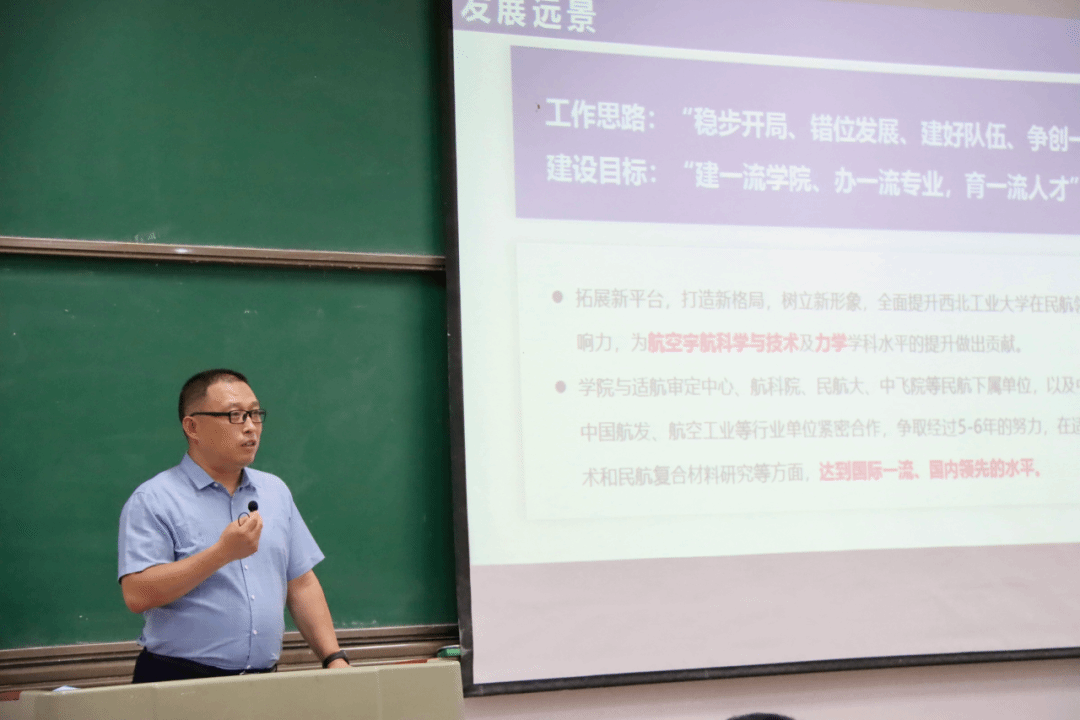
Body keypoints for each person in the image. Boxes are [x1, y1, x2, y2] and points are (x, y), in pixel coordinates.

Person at [118, 369, 350, 682]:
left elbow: (301, 583)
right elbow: (138, 594)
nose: (251, 426)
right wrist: (221, 553)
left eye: (255, 414)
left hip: (262, 683)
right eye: (235, 415)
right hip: (178, 680)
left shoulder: (275, 492)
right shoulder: (155, 499)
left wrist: (333, 657)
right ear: (193, 427)